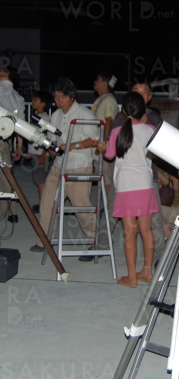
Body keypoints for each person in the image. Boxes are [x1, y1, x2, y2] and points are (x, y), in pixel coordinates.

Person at [79, 80, 165, 266]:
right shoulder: (120, 118)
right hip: (124, 179)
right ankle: (101, 245)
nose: (140, 94)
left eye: (144, 92)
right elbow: (116, 142)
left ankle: (160, 256)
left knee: (155, 220)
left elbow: (161, 148)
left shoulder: (155, 120)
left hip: (150, 177)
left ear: (149, 98)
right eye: (136, 91)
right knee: (110, 213)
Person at [30, 77, 99, 252]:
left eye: (63, 97)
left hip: (79, 165)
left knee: (81, 206)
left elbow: (93, 140)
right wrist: (51, 149)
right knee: (47, 203)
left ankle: (96, 240)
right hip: (59, 165)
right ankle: (44, 240)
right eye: (56, 97)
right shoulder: (55, 115)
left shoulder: (85, 114)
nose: (59, 101)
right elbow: (54, 139)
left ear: (72, 96)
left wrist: (70, 146)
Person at [97, 92, 159, 288]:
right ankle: (148, 271)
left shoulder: (118, 131)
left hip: (126, 186)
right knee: (146, 230)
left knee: (129, 233)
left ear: (123, 111)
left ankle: (132, 278)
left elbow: (109, 156)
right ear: (144, 109)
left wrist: (101, 147)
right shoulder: (150, 129)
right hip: (146, 183)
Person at [0, 66, 25, 223]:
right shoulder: (18, 97)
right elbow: (20, 125)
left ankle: (9, 211)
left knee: (3, 178)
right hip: (7, 140)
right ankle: (11, 212)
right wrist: (19, 146)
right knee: (6, 174)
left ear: (5, 74)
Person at [26, 90, 54, 213]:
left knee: (40, 180)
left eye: (36, 100)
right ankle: (42, 203)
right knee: (39, 180)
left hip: (40, 154)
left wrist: (44, 154)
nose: (33, 102)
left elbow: (46, 138)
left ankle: (43, 205)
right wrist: (29, 151)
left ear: (43, 103)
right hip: (34, 152)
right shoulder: (36, 117)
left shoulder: (45, 119)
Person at [92, 72, 119, 194]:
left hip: (104, 146)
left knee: (106, 178)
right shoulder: (100, 99)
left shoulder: (109, 99)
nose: (95, 82)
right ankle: (107, 206)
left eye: (97, 79)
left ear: (105, 83)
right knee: (102, 176)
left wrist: (103, 143)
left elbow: (109, 121)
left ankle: (110, 208)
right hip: (99, 144)